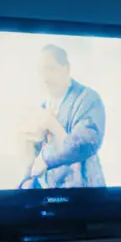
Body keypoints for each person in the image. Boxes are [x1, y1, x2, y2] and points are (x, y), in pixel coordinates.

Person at [18, 43, 107, 189]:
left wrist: (52, 127)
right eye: (40, 71)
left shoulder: (88, 99)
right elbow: (32, 161)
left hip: (85, 197)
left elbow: (85, 142)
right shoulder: (41, 108)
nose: (45, 77)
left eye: (50, 69)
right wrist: (26, 181)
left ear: (66, 69)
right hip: (47, 198)